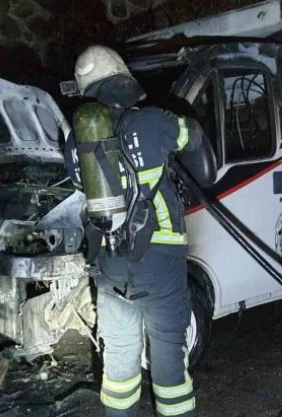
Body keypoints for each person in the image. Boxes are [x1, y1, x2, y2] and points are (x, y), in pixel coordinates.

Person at [72, 45, 208, 417]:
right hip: (159, 256)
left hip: (109, 260)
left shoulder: (77, 139)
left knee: (119, 354)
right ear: (123, 79)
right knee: (167, 351)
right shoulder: (150, 122)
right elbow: (195, 142)